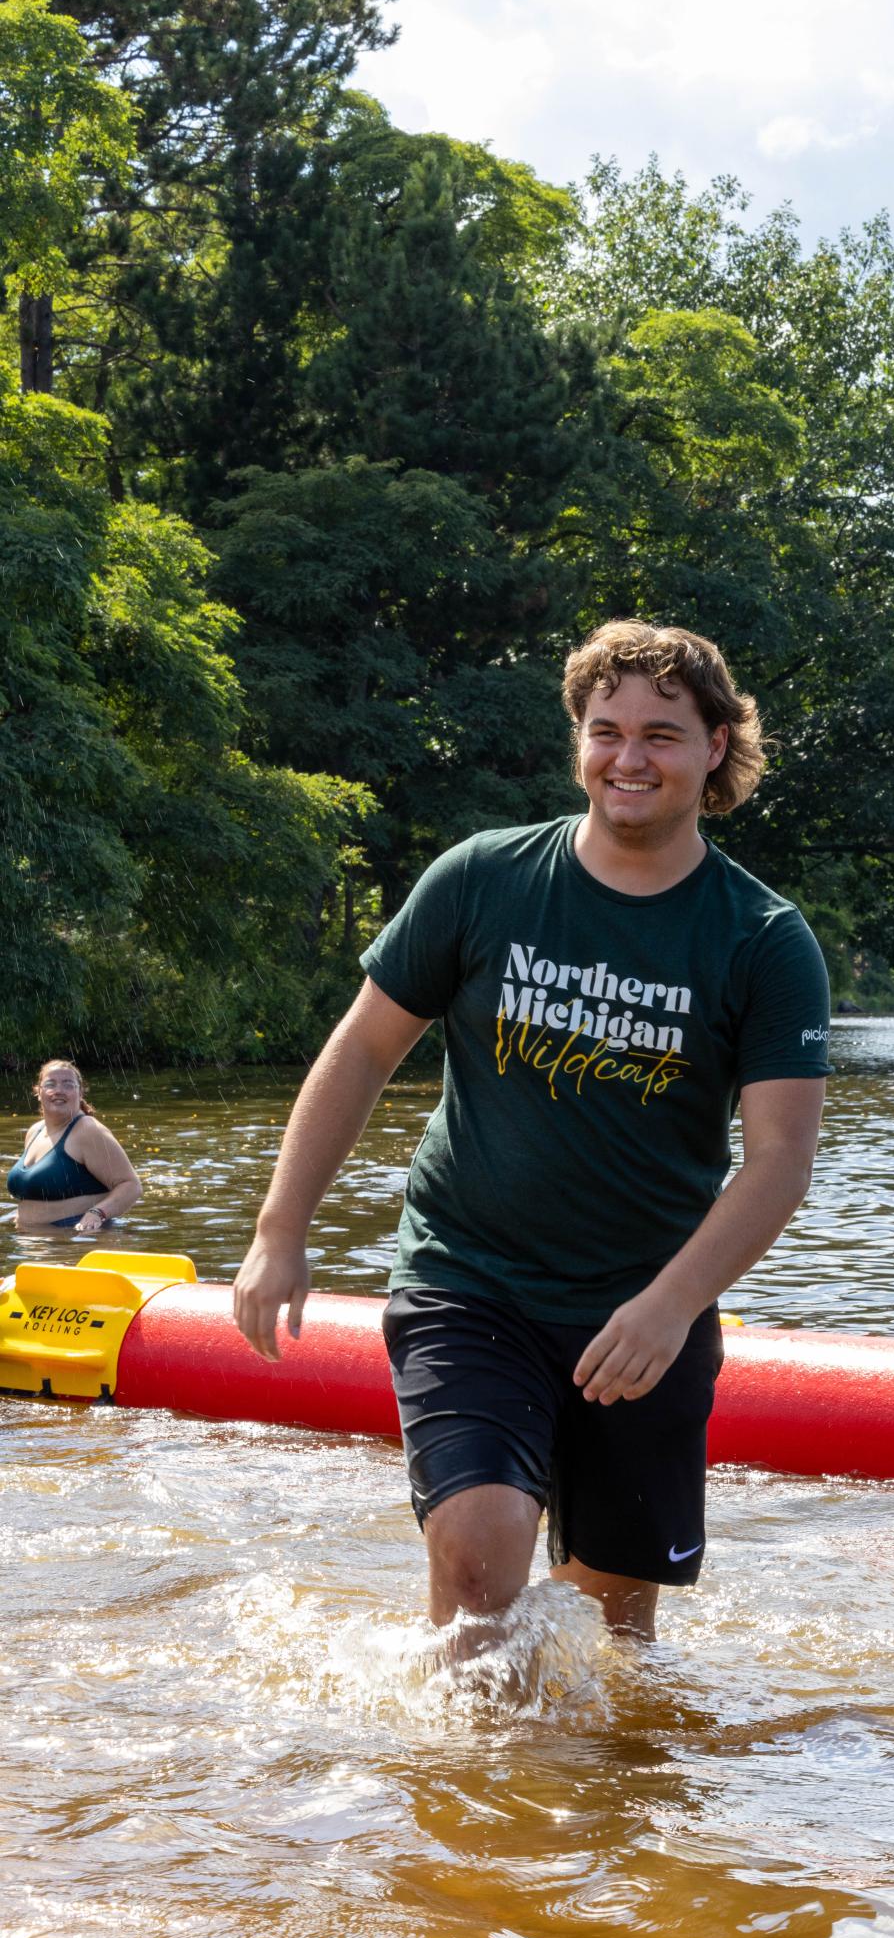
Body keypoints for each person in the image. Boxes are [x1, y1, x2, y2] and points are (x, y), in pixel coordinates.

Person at [233, 620, 830, 1644]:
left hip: (640, 1314)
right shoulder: (482, 880)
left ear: (716, 747)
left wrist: (671, 1306)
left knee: (614, 1637)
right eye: (606, 731)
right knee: (479, 1564)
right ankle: (460, 1793)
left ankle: (577, 1803)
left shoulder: (762, 941)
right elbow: (362, 1050)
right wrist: (280, 1229)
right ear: (578, 739)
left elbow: (780, 1159)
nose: (627, 759)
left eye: (660, 735)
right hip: (471, 1279)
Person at [8, 1059, 142, 1233]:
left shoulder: (88, 1130)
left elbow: (131, 1185)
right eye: (50, 1084)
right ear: (38, 1092)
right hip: (34, 1241)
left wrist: (97, 1213)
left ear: (80, 1093)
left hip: (76, 1238)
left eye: (68, 1085)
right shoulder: (34, 1131)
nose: (58, 1091)